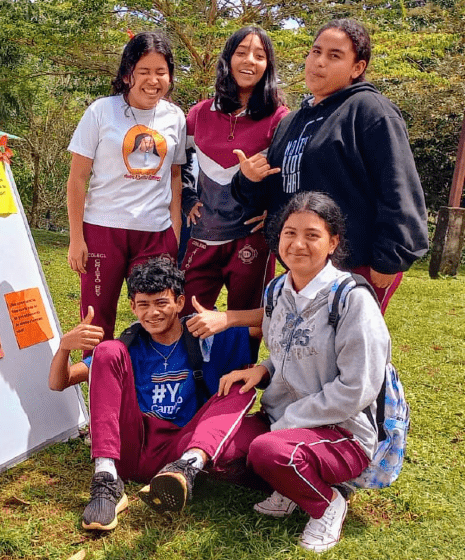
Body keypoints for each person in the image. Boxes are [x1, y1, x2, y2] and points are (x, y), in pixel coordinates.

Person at [211, 191, 388, 553]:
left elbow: (358, 388)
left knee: (268, 451)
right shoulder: (277, 290)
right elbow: (285, 350)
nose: (298, 244)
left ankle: (327, 504)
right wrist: (261, 369)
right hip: (285, 424)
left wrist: (291, 419)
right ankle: (291, 485)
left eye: (312, 235)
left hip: (342, 431)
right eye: (290, 233)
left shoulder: (352, 300)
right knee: (223, 450)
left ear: (332, 242)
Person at [49, 258, 261, 531]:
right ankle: (105, 479)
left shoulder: (203, 333)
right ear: (133, 307)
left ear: (180, 302)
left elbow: (279, 321)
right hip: (131, 448)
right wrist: (64, 348)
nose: (153, 313)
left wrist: (229, 319)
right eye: (143, 305)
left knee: (239, 384)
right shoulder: (130, 347)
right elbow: (59, 382)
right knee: (107, 349)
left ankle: (188, 467)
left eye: (162, 303)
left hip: (179, 449)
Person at [232, 19, 428, 313]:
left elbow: (398, 187)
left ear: (357, 68)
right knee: (303, 350)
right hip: (302, 263)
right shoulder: (292, 122)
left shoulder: (370, 111)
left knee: (349, 351)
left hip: (356, 265)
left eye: (334, 56)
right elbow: (273, 193)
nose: (319, 63)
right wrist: (247, 180)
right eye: (315, 52)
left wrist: (389, 258)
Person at [66, 32, 188, 351]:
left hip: (155, 234)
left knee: (158, 318)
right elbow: (77, 178)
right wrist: (77, 239)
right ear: (126, 74)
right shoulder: (101, 112)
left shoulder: (175, 117)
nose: (153, 80)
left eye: (161, 72)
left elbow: (175, 177)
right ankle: (98, 388)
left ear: (170, 76)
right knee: (96, 321)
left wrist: (174, 231)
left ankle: (151, 395)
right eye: (143, 71)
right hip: (103, 231)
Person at [181, 27, 289, 318]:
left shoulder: (280, 118)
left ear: (268, 66)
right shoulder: (199, 113)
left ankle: (241, 367)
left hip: (251, 237)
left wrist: (275, 213)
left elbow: (289, 176)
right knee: (186, 317)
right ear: (228, 59)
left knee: (246, 321)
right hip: (203, 232)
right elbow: (182, 164)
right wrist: (187, 198)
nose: (249, 61)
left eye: (259, 55)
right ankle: (191, 366)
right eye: (241, 53)